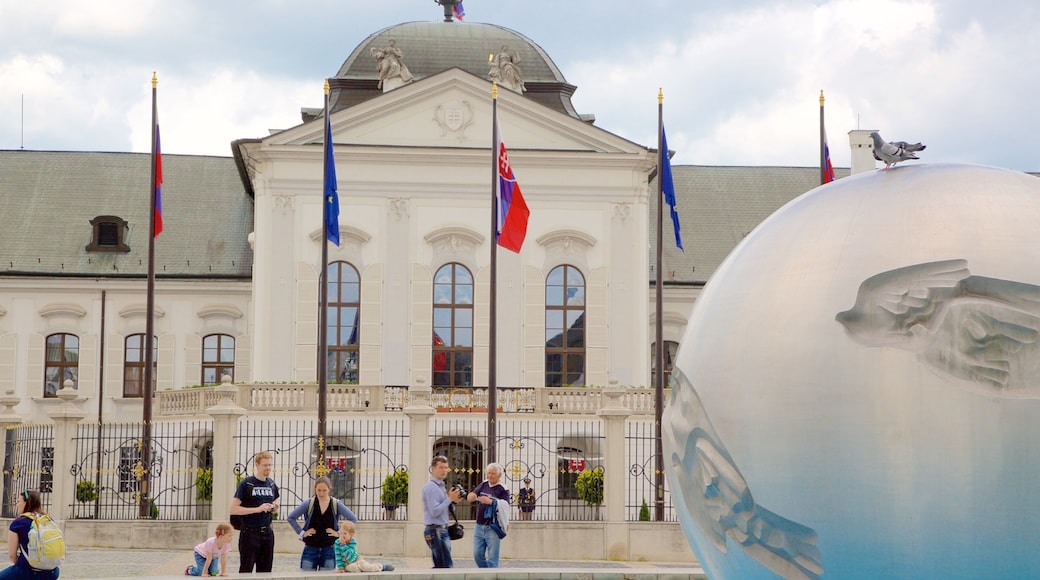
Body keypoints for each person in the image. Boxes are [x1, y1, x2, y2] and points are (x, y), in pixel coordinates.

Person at [287, 476, 359, 571]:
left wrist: (339, 533)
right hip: (310, 548)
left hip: (329, 548)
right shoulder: (309, 503)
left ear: (329, 489)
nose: (321, 493)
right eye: (319, 490)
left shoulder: (335, 504)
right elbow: (291, 517)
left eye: (324, 490)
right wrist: (302, 533)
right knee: (306, 576)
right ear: (315, 489)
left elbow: (353, 518)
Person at [229, 451, 280, 573]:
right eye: (265, 465)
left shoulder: (271, 484)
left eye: (269, 465)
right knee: (246, 569)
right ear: (257, 465)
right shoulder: (246, 484)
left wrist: (274, 508)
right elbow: (233, 509)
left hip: (267, 533)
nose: (268, 468)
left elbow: (275, 504)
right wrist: (257, 509)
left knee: (265, 571)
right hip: (249, 533)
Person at [0, 490, 59, 580]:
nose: (17, 504)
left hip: (27, 571)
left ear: (26, 503)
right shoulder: (48, 520)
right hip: (52, 572)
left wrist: (23, 567)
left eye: (19, 501)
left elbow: (12, 555)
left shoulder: (18, 523)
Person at [421, 455, 463, 568]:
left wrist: (453, 501)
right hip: (435, 530)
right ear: (433, 469)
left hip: (442, 529)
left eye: (446, 467)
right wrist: (449, 499)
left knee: (442, 565)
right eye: (440, 467)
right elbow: (434, 512)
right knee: (445, 566)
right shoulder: (431, 488)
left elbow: (444, 510)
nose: (444, 470)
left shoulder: (441, 487)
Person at [466, 463, 511, 568]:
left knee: (492, 558)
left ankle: (490, 574)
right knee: (477, 554)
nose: (490, 476)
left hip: (493, 527)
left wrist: (491, 502)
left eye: (493, 474)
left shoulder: (503, 488)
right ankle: (486, 573)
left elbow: (506, 506)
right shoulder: (484, 484)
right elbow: (472, 495)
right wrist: (471, 496)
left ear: (499, 475)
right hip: (479, 525)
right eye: (489, 473)